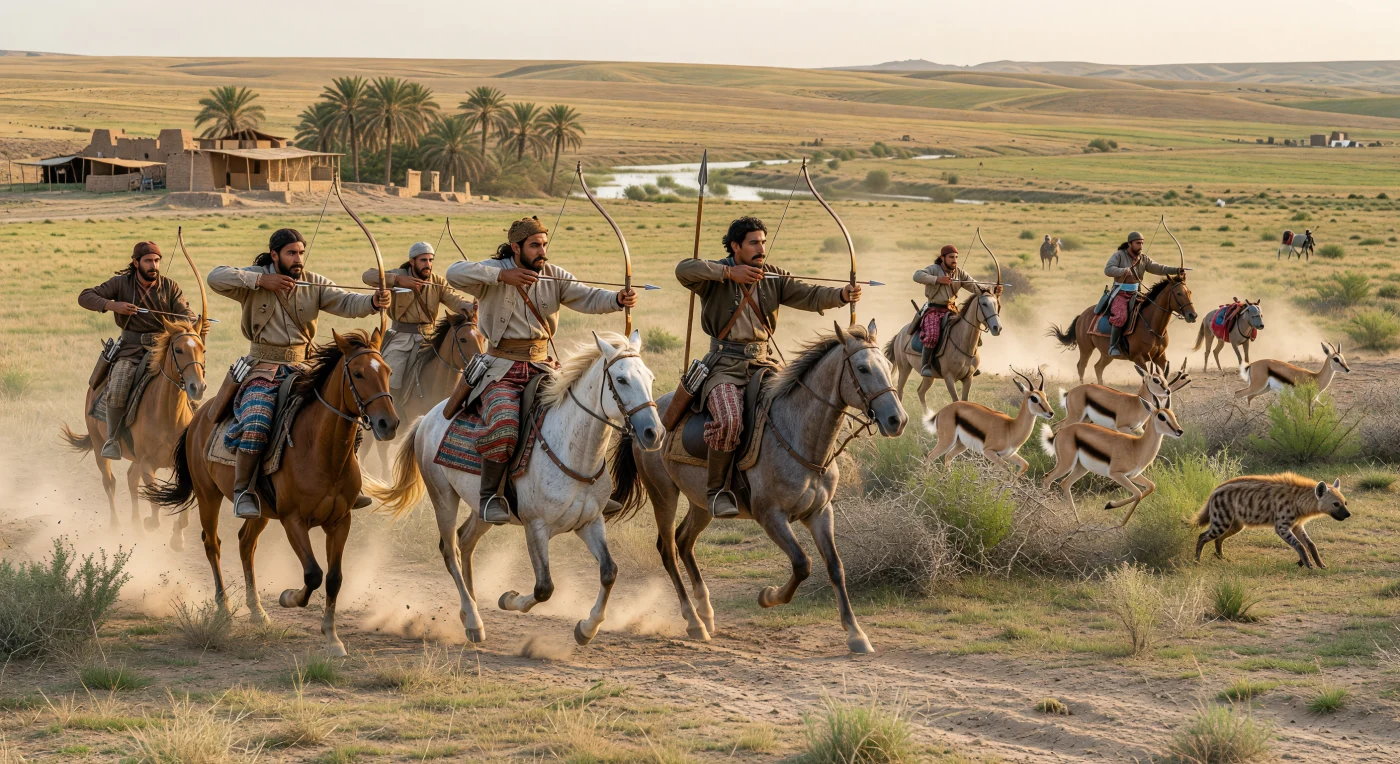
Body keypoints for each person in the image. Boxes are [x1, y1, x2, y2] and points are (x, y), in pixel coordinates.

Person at [444, 216, 636, 525]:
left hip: (542, 365)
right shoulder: (493, 271)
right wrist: (502, 276)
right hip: (500, 368)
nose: (541, 251)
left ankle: (591, 490)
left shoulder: (553, 275)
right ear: (516, 247)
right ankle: (491, 496)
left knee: (581, 414)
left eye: (544, 245)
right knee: (505, 423)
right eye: (535, 245)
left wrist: (615, 299)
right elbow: (454, 272)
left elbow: (586, 295)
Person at [676, 216, 860, 519]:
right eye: (754, 243)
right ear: (736, 246)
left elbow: (810, 294)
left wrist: (841, 296)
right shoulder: (714, 276)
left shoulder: (772, 276)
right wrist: (728, 273)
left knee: (803, 405)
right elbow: (683, 269)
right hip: (723, 366)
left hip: (763, 364)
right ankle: (717, 491)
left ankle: (792, 478)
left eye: (763, 242)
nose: (761, 248)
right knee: (731, 420)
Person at [208, 228, 391, 519]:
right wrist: (261, 280)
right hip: (263, 368)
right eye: (291, 253)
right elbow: (215, 277)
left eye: (301, 253)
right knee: (257, 418)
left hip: (305, 367)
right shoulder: (255, 279)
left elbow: (345, 301)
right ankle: (243, 489)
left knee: (345, 416)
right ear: (275, 255)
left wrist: (371, 303)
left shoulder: (313, 283)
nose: (298, 259)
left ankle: (347, 485)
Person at [78, 241, 196, 459]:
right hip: (130, 350)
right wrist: (113, 305)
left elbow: (185, 312)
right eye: (148, 261)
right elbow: (85, 296)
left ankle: (193, 431)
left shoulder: (170, 286)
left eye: (157, 260)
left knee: (191, 379)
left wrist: (190, 319)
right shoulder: (121, 283)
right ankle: (113, 439)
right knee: (120, 384)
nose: (154, 265)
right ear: (136, 262)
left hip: (162, 349)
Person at [361, 241, 474, 394]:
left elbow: (454, 299)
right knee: (391, 376)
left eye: (430, 260)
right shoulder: (399, 275)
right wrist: (398, 280)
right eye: (423, 260)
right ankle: (393, 409)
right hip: (402, 338)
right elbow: (367, 276)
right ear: (412, 261)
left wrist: (470, 307)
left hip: (430, 338)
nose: (428, 264)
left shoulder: (437, 281)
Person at [1102, 231, 1184, 356]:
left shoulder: (1143, 258)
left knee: (1151, 313)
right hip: (1120, 294)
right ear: (1130, 243)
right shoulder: (1119, 255)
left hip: (1137, 293)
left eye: (1142, 243)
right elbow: (1108, 270)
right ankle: (1113, 346)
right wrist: (1124, 271)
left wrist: (1176, 270)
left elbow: (1159, 268)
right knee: (1120, 316)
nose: (1141, 246)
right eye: (1138, 243)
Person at [912, 245, 982, 378]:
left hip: (951, 310)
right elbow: (917, 276)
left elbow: (973, 285)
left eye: (956, 257)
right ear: (942, 258)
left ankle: (969, 363)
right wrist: (937, 279)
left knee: (971, 332)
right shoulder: (933, 269)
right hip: (933, 310)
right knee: (932, 335)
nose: (954, 260)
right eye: (951, 257)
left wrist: (991, 289)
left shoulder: (959, 272)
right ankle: (926, 364)